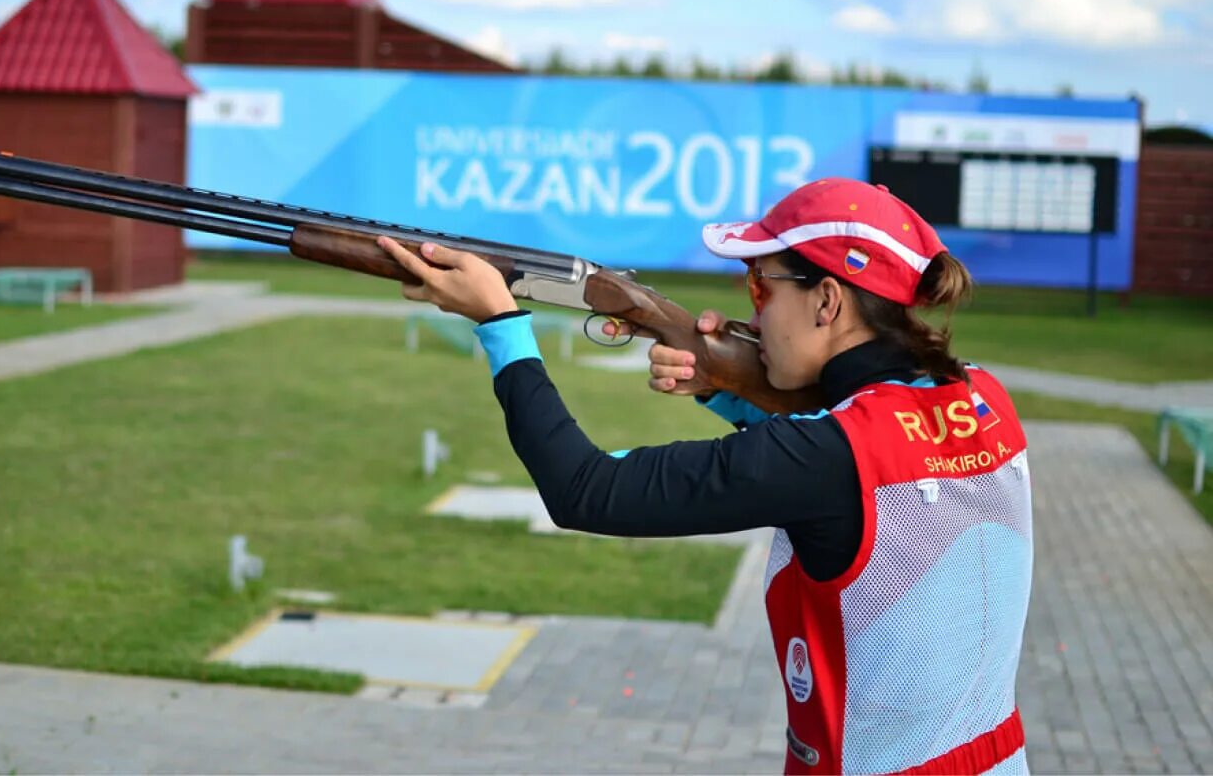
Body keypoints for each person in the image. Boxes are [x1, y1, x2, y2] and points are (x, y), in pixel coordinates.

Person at [376, 177, 1033, 775]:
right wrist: (730, 390)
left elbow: (586, 491)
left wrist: (500, 325)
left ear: (828, 301)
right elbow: (871, 445)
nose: (751, 309)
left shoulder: (828, 456)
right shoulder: (983, 396)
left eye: (761, 286)